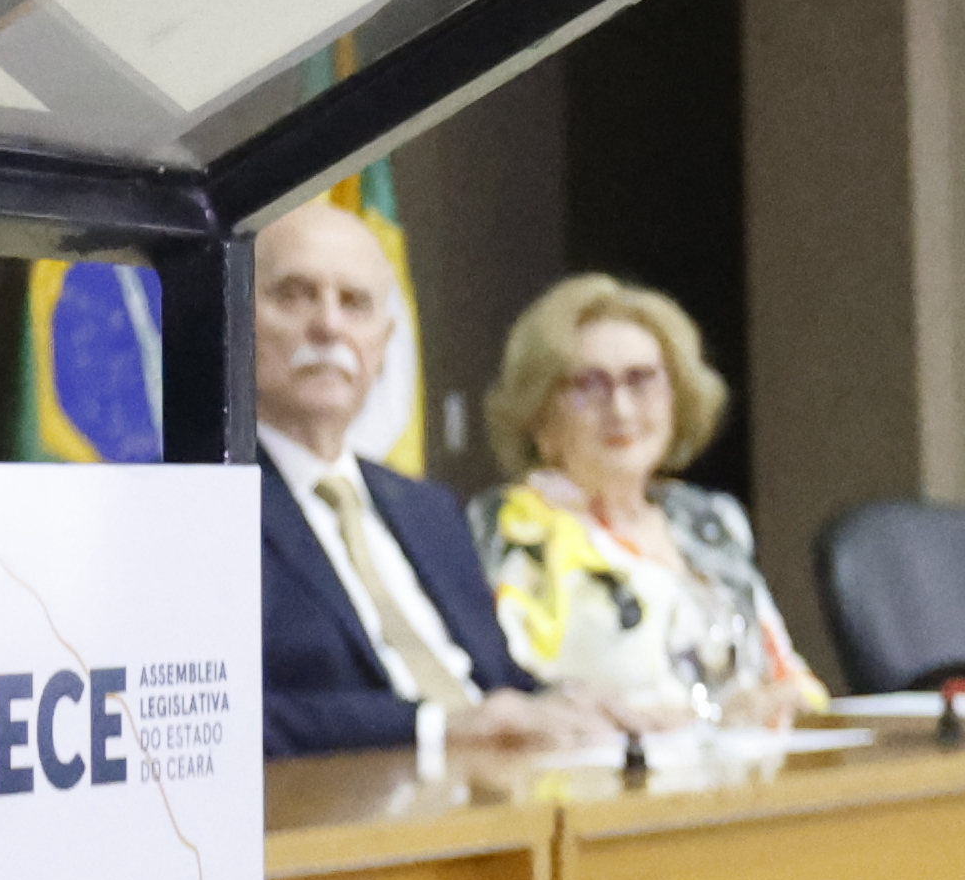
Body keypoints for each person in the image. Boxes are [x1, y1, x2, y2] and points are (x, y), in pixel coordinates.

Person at [254, 203, 600, 756]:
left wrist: (579, 705)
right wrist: (432, 726)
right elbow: (217, 714)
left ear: (385, 340)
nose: (329, 325)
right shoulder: (200, 512)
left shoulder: (428, 509)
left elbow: (497, 682)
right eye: (294, 295)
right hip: (352, 794)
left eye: (355, 302)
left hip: (495, 785)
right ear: (236, 316)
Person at [467, 276, 825, 723]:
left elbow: (782, 667)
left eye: (641, 380)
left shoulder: (708, 521)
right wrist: (713, 721)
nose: (621, 408)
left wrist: (792, 700)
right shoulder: (515, 533)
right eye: (590, 384)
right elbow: (525, 703)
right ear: (541, 415)